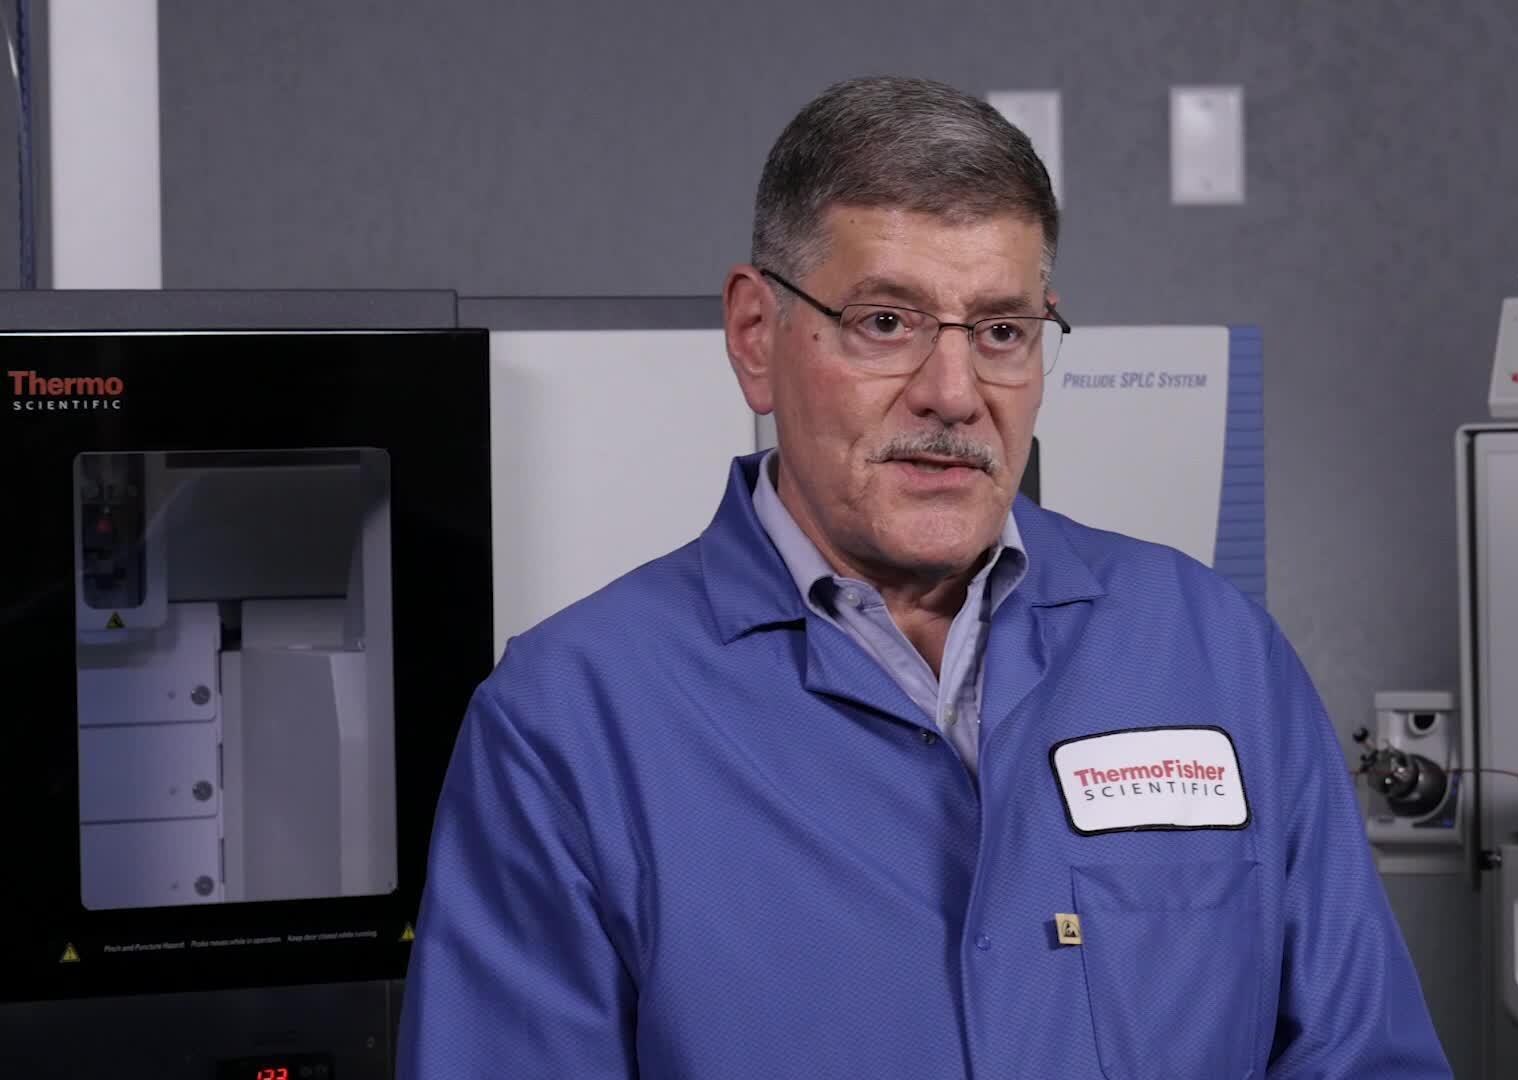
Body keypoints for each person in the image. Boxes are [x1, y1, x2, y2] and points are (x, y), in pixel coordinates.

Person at [397, 75, 1449, 1078]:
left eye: (1001, 331)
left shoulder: (1216, 657)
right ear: (757, 336)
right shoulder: (573, 723)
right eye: (886, 322)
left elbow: (1363, 1057)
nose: (953, 392)